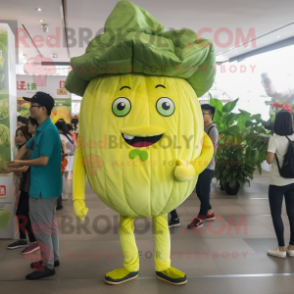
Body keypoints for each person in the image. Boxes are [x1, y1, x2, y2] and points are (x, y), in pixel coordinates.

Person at [9, 91, 62, 280]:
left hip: (43, 188)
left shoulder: (48, 131)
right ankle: (53, 258)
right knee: (50, 225)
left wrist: (22, 164)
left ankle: (47, 265)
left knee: (41, 228)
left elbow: (43, 161)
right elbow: (26, 146)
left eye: (32, 105)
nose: (29, 108)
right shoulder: (41, 129)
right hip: (46, 187)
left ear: (43, 109)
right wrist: (16, 160)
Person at [169, 104, 219, 228]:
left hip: (207, 166)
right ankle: (210, 212)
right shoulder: (199, 128)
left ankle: (201, 217)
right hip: (197, 165)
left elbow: (213, 150)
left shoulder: (212, 129)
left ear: (210, 115)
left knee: (204, 193)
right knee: (199, 191)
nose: (201, 116)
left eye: (203, 114)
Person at [5, 127, 39, 255]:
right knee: (20, 213)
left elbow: (24, 168)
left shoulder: (29, 150)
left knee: (23, 213)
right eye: (16, 135)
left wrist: (10, 169)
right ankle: (23, 239)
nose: (18, 138)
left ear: (27, 136)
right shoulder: (21, 150)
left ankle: (34, 242)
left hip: (32, 187)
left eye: (21, 135)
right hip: (25, 187)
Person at [266, 111, 294, 258]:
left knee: (277, 214)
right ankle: (292, 247)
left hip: (278, 182)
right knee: (292, 212)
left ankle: (281, 249)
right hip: (293, 181)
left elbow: (269, 160)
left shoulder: (274, 139)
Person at [55, 121, 75, 201]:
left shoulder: (60, 136)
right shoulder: (69, 135)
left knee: (62, 177)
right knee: (65, 177)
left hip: (64, 158)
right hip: (70, 157)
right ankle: (64, 193)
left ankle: (63, 194)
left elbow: (63, 145)